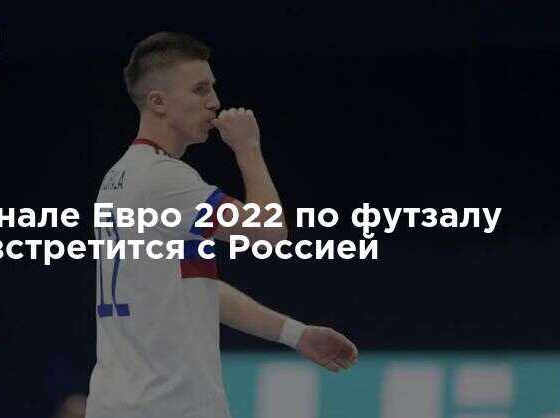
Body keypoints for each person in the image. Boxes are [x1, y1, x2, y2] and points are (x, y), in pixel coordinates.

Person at [87, 32, 359, 418]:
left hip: (122, 403)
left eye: (213, 87)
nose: (214, 102)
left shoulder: (119, 177)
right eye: (199, 90)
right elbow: (269, 231)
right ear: (158, 102)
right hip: (168, 406)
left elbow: (194, 287)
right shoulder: (163, 179)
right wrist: (248, 148)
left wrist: (295, 334)